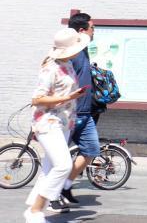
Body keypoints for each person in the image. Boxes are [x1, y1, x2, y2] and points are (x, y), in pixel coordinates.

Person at [23, 28, 91, 223]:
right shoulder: (50, 68)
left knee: (49, 169)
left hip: (63, 123)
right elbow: (37, 99)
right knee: (63, 166)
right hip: (48, 122)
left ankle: (34, 212)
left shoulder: (67, 63)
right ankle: (36, 211)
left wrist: (73, 97)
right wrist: (68, 97)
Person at [49, 12, 100, 213]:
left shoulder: (83, 50)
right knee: (58, 160)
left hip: (85, 113)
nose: (94, 31)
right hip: (71, 113)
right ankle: (51, 196)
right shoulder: (71, 55)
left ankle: (66, 187)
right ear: (82, 30)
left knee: (91, 150)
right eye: (92, 28)